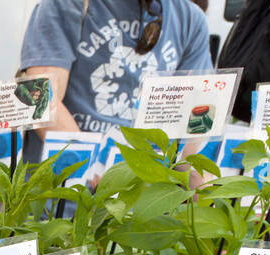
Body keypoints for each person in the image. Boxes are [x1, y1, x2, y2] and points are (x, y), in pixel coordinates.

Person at [19, 0, 212, 158]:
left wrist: (204, 197)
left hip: (140, 198)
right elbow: (38, 96)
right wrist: (91, 168)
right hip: (61, 195)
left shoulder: (191, 19)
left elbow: (196, 123)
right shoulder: (68, 3)